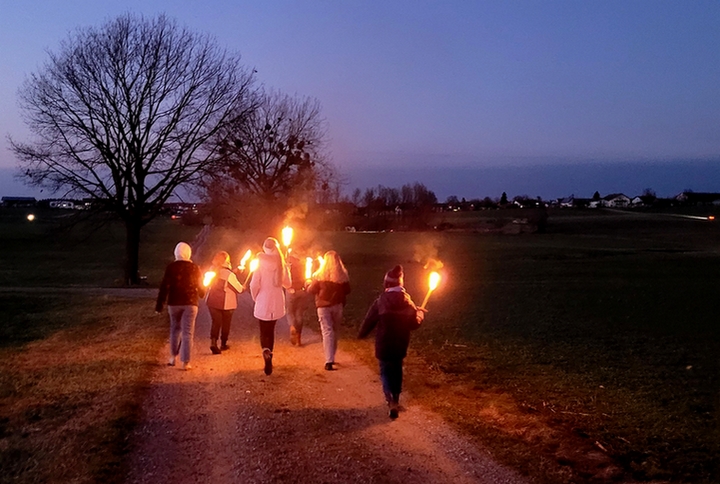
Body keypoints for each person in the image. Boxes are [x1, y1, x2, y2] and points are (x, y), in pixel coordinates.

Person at [358, 265, 425, 419]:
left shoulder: (381, 300)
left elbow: (370, 319)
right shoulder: (408, 302)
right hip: (400, 343)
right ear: (400, 283)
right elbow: (414, 325)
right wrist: (419, 315)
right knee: (397, 370)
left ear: (386, 284)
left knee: (385, 371)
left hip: (384, 343)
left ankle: (390, 401)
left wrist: (362, 334)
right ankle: (396, 399)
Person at [155, 242, 206, 371]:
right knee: (188, 333)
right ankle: (186, 363)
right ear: (189, 253)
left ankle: (172, 357)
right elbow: (201, 289)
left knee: (175, 329)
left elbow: (164, 286)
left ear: (176, 253)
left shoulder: (171, 267)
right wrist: (202, 291)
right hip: (190, 303)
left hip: (174, 303)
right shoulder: (195, 268)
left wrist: (159, 305)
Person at [250, 237, 291, 375]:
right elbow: (288, 283)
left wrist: (256, 297)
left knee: (264, 330)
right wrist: (287, 269)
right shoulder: (281, 262)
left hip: (263, 299)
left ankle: (265, 351)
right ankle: (270, 355)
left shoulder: (260, 263)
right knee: (271, 330)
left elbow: (254, 284)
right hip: (276, 301)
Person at [307, 250, 351, 371]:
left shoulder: (319, 276)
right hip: (337, 306)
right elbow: (348, 290)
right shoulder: (343, 276)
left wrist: (308, 284)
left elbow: (311, 290)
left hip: (323, 307)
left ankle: (329, 360)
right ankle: (332, 356)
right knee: (334, 330)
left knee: (327, 331)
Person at [205, 250, 244, 355]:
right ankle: (223, 343)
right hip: (227, 304)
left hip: (212, 302)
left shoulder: (212, 270)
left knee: (216, 323)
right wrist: (243, 287)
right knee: (226, 323)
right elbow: (239, 289)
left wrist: (234, 272)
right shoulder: (229, 275)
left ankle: (213, 342)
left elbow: (219, 277)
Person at [286, 253, 311, 346]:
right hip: (302, 291)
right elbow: (307, 278)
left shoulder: (288, 267)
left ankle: (292, 326)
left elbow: (284, 279)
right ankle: (299, 340)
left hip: (291, 291)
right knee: (299, 314)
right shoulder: (304, 267)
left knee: (290, 312)